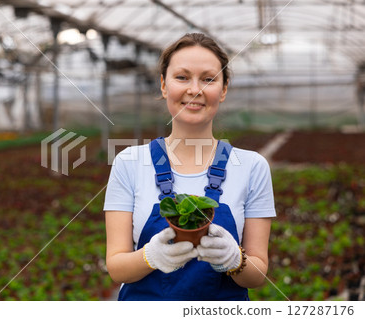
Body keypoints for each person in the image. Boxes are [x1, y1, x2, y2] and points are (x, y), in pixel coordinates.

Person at [104, 33, 276, 301]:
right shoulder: (128, 163)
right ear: (163, 85)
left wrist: (235, 260)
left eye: (208, 79)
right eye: (182, 77)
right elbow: (116, 268)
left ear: (224, 88)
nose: (194, 89)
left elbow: (257, 275)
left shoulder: (252, 167)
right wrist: (150, 256)